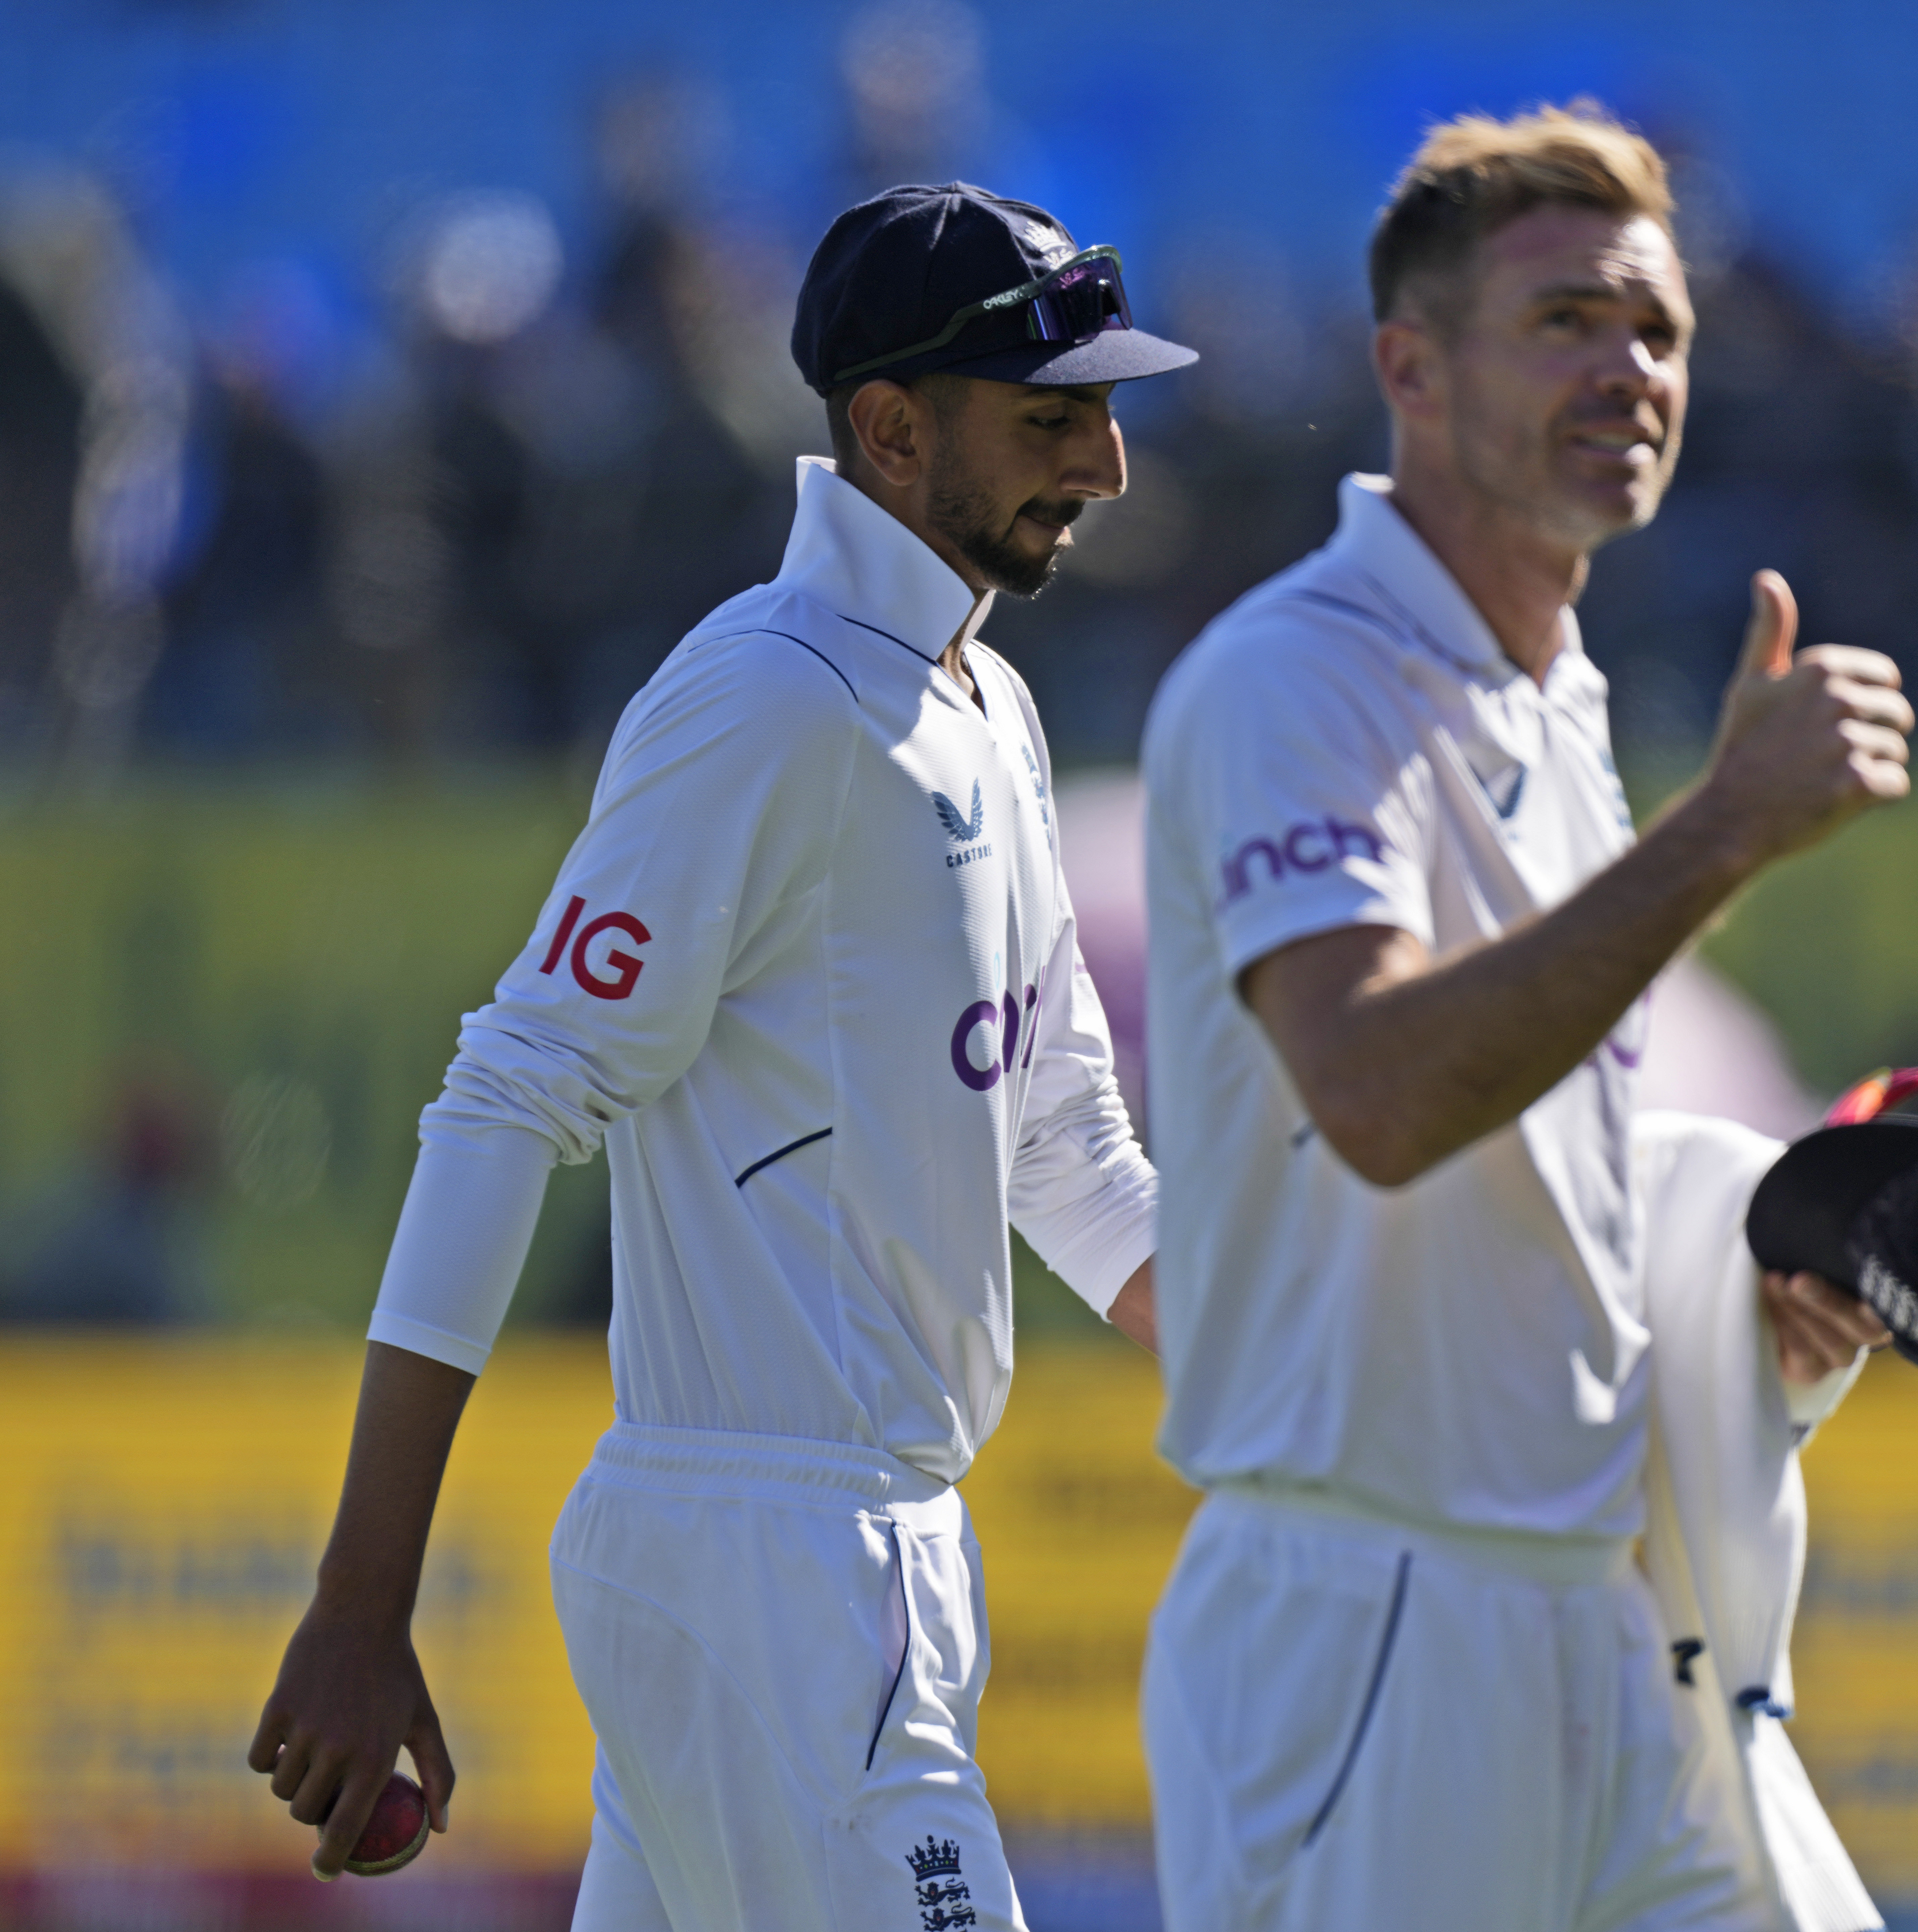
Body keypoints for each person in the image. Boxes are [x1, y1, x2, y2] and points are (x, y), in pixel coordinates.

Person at [246, 183, 1194, 1929]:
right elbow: (505, 1099)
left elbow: (1067, 1154)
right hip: (779, 1562)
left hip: (850, 1556)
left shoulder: (990, 708)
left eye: (1112, 410)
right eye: (1055, 416)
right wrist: (364, 1602)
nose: (1109, 465)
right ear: (893, 431)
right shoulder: (763, 697)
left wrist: (1309, 1388)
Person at [1137, 104, 1910, 1931]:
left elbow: (1525, 1182)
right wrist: (1729, 829)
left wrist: (1741, 1317)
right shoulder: (1293, 678)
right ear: (1409, 367)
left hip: (1598, 1610)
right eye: (1565, 319)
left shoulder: (1557, 700)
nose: (1628, 368)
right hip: (1367, 1617)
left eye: (1659, 330)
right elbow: (1383, 1094)